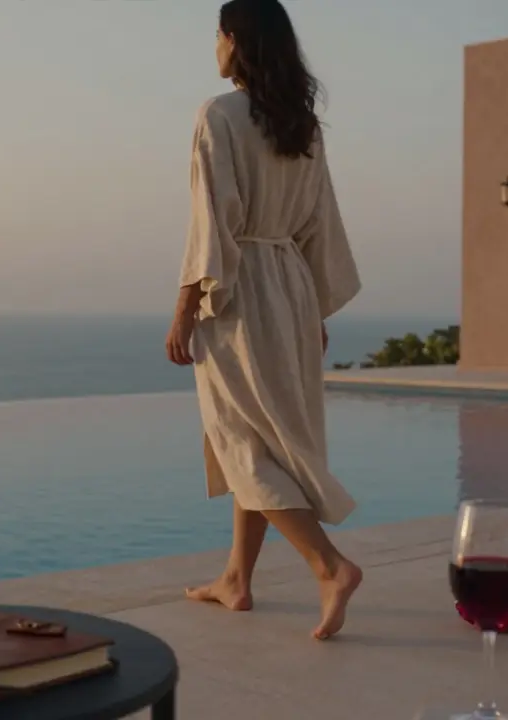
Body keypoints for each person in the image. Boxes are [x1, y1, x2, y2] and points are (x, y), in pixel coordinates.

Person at [166, 0, 363, 641]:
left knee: (239, 438)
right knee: (261, 437)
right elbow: (321, 223)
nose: (213, 48)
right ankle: (236, 580)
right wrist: (315, 309)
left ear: (234, 41)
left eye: (217, 36)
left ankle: (328, 566)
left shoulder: (218, 116)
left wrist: (184, 312)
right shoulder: (302, 126)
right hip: (292, 286)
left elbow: (210, 224)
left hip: (242, 291)